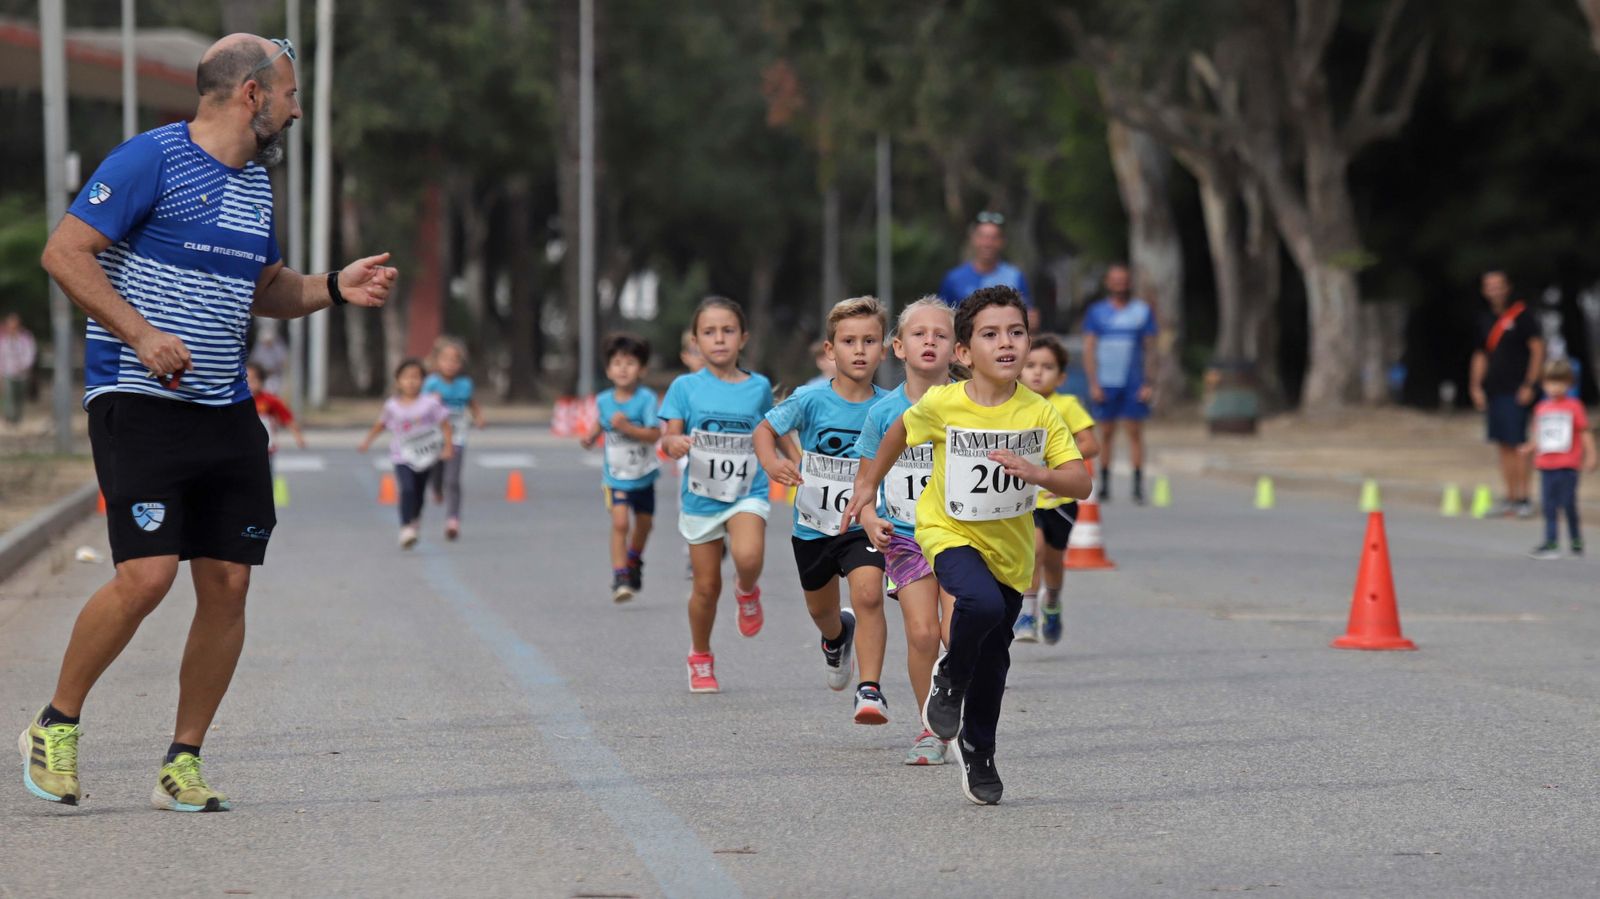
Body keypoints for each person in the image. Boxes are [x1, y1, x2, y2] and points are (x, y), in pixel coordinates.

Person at [24, 34, 396, 812]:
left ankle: (182, 760)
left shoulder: (258, 185)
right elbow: (64, 253)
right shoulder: (148, 159)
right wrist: (141, 333)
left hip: (225, 405)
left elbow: (267, 288)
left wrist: (333, 285)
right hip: (138, 395)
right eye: (290, 94)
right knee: (147, 576)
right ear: (252, 95)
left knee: (227, 583)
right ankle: (56, 723)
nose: (298, 108)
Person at [846, 286, 1090, 805]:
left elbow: (1081, 481)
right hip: (946, 533)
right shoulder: (943, 403)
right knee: (972, 606)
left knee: (996, 662)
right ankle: (950, 674)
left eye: (1016, 332)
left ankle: (980, 749)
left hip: (1011, 552)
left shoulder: (1040, 413)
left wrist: (1038, 472)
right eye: (990, 334)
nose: (1006, 343)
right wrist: (868, 487)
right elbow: (896, 434)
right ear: (965, 353)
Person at [756, 297, 890, 725]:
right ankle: (836, 639)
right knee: (822, 612)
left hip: (865, 523)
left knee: (868, 594)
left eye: (870, 340)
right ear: (831, 351)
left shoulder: (892, 406)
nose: (860, 350)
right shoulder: (810, 399)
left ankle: (870, 689)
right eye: (849, 341)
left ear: (883, 350)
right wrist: (772, 462)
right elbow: (765, 429)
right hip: (814, 526)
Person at [853, 297, 959, 765]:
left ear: (958, 349)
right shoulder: (882, 414)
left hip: (961, 536)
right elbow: (865, 481)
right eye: (919, 334)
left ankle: (963, 711)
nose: (930, 341)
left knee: (957, 635)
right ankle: (929, 728)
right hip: (904, 538)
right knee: (921, 634)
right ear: (898, 346)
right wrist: (871, 517)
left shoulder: (969, 405)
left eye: (941, 334)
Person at [660, 297, 774, 693]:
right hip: (702, 497)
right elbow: (670, 432)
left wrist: (790, 463)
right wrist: (673, 442)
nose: (719, 339)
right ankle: (701, 654)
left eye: (728, 331)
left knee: (748, 555)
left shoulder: (758, 387)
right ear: (695, 341)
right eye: (709, 332)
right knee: (706, 587)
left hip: (747, 491)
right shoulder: (685, 386)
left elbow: (768, 429)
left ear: (743, 337)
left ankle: (747, 590)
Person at [1015, 335, 1099, 645]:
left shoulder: (1067, 405)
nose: (1037, 373)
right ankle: (1027, 613)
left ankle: (1052, 603)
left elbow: (1091, 444)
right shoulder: (1015, 404)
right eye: (1031, 366)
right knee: (1032, 550)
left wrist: (1056, 461)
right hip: (1027, 498)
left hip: (1059, 498)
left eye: (1047, 367)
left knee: (1053, 560)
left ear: (1061, 376)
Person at [582, 333, 662, 602]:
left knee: (645, 524)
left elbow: (654, 434)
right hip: (616, 477)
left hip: (644, 475)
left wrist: (628, 428)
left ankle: (634, 559)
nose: (623, 368)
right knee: (619, 523)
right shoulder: (604, 400)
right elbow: (601, 422)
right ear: (608, 370)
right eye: (617, 363)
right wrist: (591, 436)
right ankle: (620, 576)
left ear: (642, 369)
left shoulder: (647, 399)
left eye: (630, 363)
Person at [1471, 270, 1545, 518]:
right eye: (1489, 286)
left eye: (1498, 285)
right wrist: (1475, 386)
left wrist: (1530, 384)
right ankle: (1510, 498)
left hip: (1517, 390)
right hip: (1495, 390)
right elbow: (1481, 354)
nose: (1494, 290)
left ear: (1508, 287)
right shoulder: (1485, 319)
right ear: (1484, 291)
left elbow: (1537, 349)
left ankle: (1524, 498)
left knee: (1519, 444)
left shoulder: (1523, 315)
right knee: (1503, 445)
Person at [1082, 263, 1158, 504]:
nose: (1120, 284)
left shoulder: (1141, 311)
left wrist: (1149, 382)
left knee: (1135, 433)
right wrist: (1093, 383)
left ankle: (1137, 486)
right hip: (1106, 381)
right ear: (1108, 283)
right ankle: (1104, 484)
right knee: (1106, 433)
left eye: (1123, 280)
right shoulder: (1096, 312)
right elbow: (1089, 348)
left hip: (1133, 382)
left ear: (1129, 282)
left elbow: (1151, 349)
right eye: (1115, 280)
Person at [359, 359, 453, 549]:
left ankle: (415, 517)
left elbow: (445, 425)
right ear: (398, 381)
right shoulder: (392, 406)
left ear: (423, 381)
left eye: (416, 377)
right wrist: (367, 441)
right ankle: (405, 527)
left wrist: (448, 447)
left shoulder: (430, 404)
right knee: (407, 489)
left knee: (418, 491)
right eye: (406, 378)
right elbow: (381, 425)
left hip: (426, 456)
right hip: (402, 456)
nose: (411, 382)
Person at [1522, 360, 1595, 559]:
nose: (1555, 388)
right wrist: (1529, 447)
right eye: (1550, 383)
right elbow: (1539, 434)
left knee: (1568, 503)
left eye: (1560, 383)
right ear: (1544, 384)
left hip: (1568, 464)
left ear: (1569, 384)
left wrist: (1591, 455)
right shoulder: (1541, 408)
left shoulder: (1574, 407)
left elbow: (1584, 432)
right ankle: (1551, 541)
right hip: (1546, 463)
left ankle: (1575, 538)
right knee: (1548, 504)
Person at [423, 337, 485, 541]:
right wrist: (431, 403)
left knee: (454, 479)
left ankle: (453, 519)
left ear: (461, 364)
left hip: (457, 437)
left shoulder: (465, 384)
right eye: (446, 359)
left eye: (455, 360)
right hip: (434, 437)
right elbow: (420, 406)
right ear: (437, 361)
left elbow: (472, 403)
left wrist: (479, 417)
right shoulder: (431, 383)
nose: (450, 364)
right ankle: (436, 487)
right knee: (437, 472)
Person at [937, 212, 1038, 331]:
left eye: (994, 238)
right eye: (983, 237)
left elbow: (1030, 320)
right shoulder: (954, 279)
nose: (987, 243)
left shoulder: (1015, 277)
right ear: (973, 239)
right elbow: (941, 320)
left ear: (1002, 242)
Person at [247, 362, 305, 460]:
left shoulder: (270, 400)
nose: (249, 384)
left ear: (261, 381)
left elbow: (287, 417)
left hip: (266, 447)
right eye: (246, 380)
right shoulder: (240, 401)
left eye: (252, 380)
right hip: (246, 446)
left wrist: (298, 436)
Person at [0, 312, 37, 427]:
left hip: (22, 373)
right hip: (8, 372)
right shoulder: (4, 339)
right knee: (9, 396)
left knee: (19, 396)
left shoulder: (26, 337)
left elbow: (31, 353)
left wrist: (25, 365)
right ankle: (10, 418)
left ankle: (17, 418)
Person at [248, 325, 288, 394]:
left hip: (275, 375)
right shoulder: (259, 348)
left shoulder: (278, 348)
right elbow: (255, 361)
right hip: (263, 375)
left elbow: (283, 361)